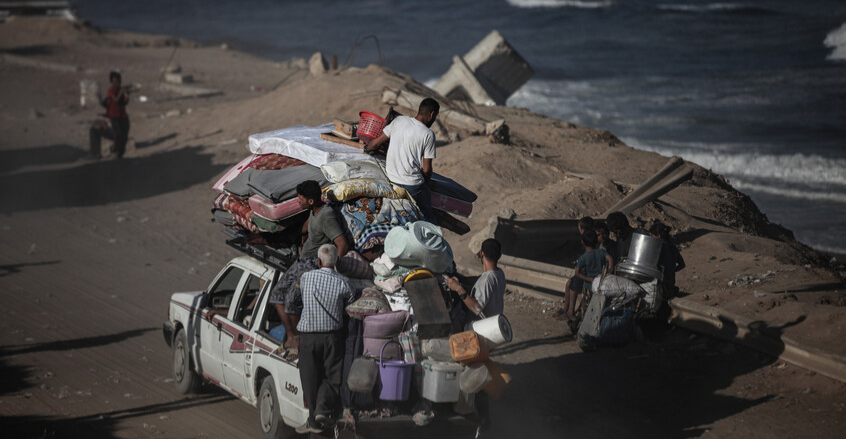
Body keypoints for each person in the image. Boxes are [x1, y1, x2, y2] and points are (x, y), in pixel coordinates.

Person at [267, 180, 351, 350]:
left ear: (311, 201)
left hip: (312, 264)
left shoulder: (327, 216)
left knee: (291, 303)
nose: (298, 201)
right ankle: (292, 337)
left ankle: (299, 340)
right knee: (276, 296)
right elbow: (308, 226)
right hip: (301, 262)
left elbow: (342, 243)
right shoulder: (314, 211)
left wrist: (333, 271)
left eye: (300, 199)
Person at [296, 244, 354, 434]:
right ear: (336, 261)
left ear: (319, 261)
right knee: (332, 377)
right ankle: (322, 410)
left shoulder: (306, 277)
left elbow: (300, 295)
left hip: (308, 338)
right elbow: (351, 300)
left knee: (310, 379)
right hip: (332, 337)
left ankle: (314, 418)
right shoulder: (343, 282)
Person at [363, 98, 439, 224]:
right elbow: (426, 170)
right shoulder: (428, 134)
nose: (434, 119)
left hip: (393, 180)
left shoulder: (399, 121)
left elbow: (375, 144)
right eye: (435, 116)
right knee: (428, 214)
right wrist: (427, 182)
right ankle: (433, 233)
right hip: (413, 186)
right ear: (431, 114)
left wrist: (367, 148)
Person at [563, 231, 614, 332]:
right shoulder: (601, 252)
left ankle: (578, 327)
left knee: (585, 310)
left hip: (588, 287)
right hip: (600, 285)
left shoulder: (583, 258)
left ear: (582, 242)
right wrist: (609, 269)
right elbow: (610, 259)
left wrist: (589, 279)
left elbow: (577, 273)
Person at [446, 238, 506, 321]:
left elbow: (477, 309)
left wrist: (458, 289)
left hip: (480, 328)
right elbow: (479, 279)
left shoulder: (486, 280)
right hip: (494, 323)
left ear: (481, 253)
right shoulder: (500, 273)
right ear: (500, 255)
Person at [650, 222, 685, 298]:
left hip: (660, 285)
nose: (651, 238)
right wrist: (671, 270)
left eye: (652, 236)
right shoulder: (673, 248)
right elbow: (682, 265)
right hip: (671, 285)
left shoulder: (657, 248)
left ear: (658, 236)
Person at [102, 71, 131, 158]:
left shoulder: (120, 90)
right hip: (114, 116)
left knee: (124, 135)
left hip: (122, 115)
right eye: (114, 82)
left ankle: (120, 154)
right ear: (111, 82)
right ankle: (113, 149)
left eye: (118, 81)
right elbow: (115, 100)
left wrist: (127, 95)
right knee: (117, 134)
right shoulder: (111, 90)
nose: (116, 83)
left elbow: (125, 102)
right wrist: (121, 92)